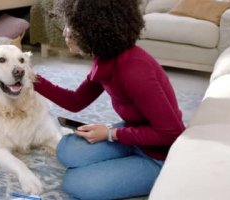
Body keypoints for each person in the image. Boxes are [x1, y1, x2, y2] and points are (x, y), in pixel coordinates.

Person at [33, 0, 186, 199]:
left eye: (72, 25)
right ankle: (124, 158)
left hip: (159, 156)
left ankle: (149, 174)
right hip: (133, 135)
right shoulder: (105, 58)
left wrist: (112, 134)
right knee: (66, 151)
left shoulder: (134, 70)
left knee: (75, 183)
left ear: (92, 28)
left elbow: (172, 133)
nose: (65, 32)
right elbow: (75, 101)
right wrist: (32, 78)